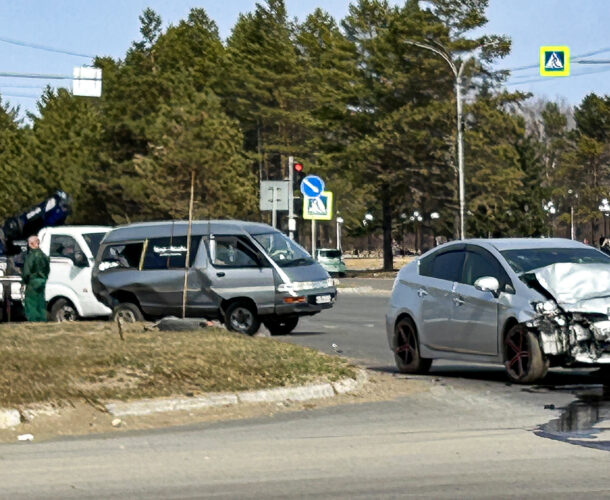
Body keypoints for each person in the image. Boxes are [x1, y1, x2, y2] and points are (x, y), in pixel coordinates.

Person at [21, 235, 50, 322]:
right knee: (40, 301)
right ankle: (42, 319)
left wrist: (23, 282)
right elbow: (47, 269)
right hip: (42, 281)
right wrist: (44, 278)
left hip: (32, 281)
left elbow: (27, 271)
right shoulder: (44, 255)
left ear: (31, 244)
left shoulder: (31, 256)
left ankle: (34, 320)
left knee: (31, 302)